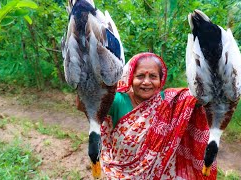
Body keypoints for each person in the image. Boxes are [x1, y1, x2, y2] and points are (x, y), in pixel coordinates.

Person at [80, 52, 217, 179]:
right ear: (130, 78)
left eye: (153, 76)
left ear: (161, 80)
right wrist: (83, 76)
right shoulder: (118, 101)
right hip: (121, 174)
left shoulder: (171, 101)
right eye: (140, 76)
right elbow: (84, 104)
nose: (146, 82)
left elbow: (202, 97)